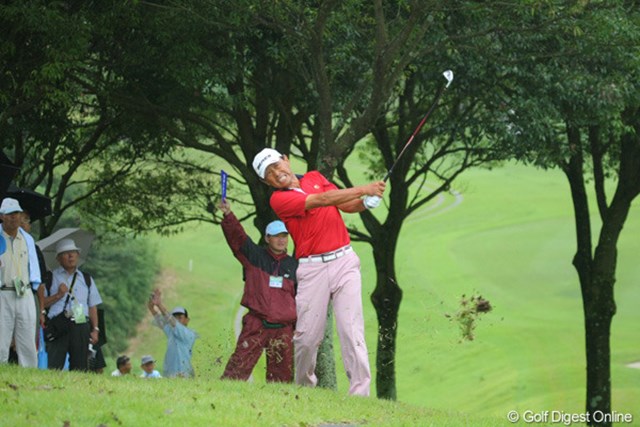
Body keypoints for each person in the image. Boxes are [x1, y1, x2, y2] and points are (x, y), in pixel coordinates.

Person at [252, 148, 386, 396]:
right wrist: (364, 189)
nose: (276, 173)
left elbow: (343, 203)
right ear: (265, 181)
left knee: (351, 329)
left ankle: (360, 394)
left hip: (344, 261)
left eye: (276, 165)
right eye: (268, 173)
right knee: (306, 338)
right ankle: (305, 390)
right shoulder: (278, 200)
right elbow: (321, 201)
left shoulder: (315, 177)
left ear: (286, 160)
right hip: (312, 269)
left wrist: (365, 202)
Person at [218, 200, 297, 383]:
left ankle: (279, 407)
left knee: (281, 380)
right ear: (267, 238)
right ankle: (223, 397)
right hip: (256, 324)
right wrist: (228, 215)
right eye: (276, 236)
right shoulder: (254, 256)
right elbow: (237, 238)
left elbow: (302, 299)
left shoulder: (294, 266)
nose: (281, 240)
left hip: (283, 330)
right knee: (237, 370)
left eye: (284, 236)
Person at [44, 238, 103, 371]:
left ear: (78, 255)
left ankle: (78, 390)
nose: (70, 256)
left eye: (73, 252)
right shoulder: (51, 277)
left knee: (80, 365)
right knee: (55, 364)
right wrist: (58, 295)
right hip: (59, 323)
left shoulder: (86, 278)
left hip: (81, 324)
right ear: (58, 258)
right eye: (66, 253)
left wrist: (95, 329)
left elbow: (93, 305)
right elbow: (42, 304)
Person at [0, 198, 42, 367]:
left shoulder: (27, 239)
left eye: (16, 213)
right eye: (9, 214)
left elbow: (34, 268)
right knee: (2, 336)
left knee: (27, 337)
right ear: (2, 216)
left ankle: (30, 370)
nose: (14, 217)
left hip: (24, 291)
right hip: (3, 292)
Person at [147, 289, 197, 378]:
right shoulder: (171, 331)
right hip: (170, 373)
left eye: (180, 317)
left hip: (184, 374)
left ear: (187, 320)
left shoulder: (189, 334)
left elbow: (171, 320)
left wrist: (159, 305)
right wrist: (151, 308)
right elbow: (161, 320)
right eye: (175, 317)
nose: (177, 320)